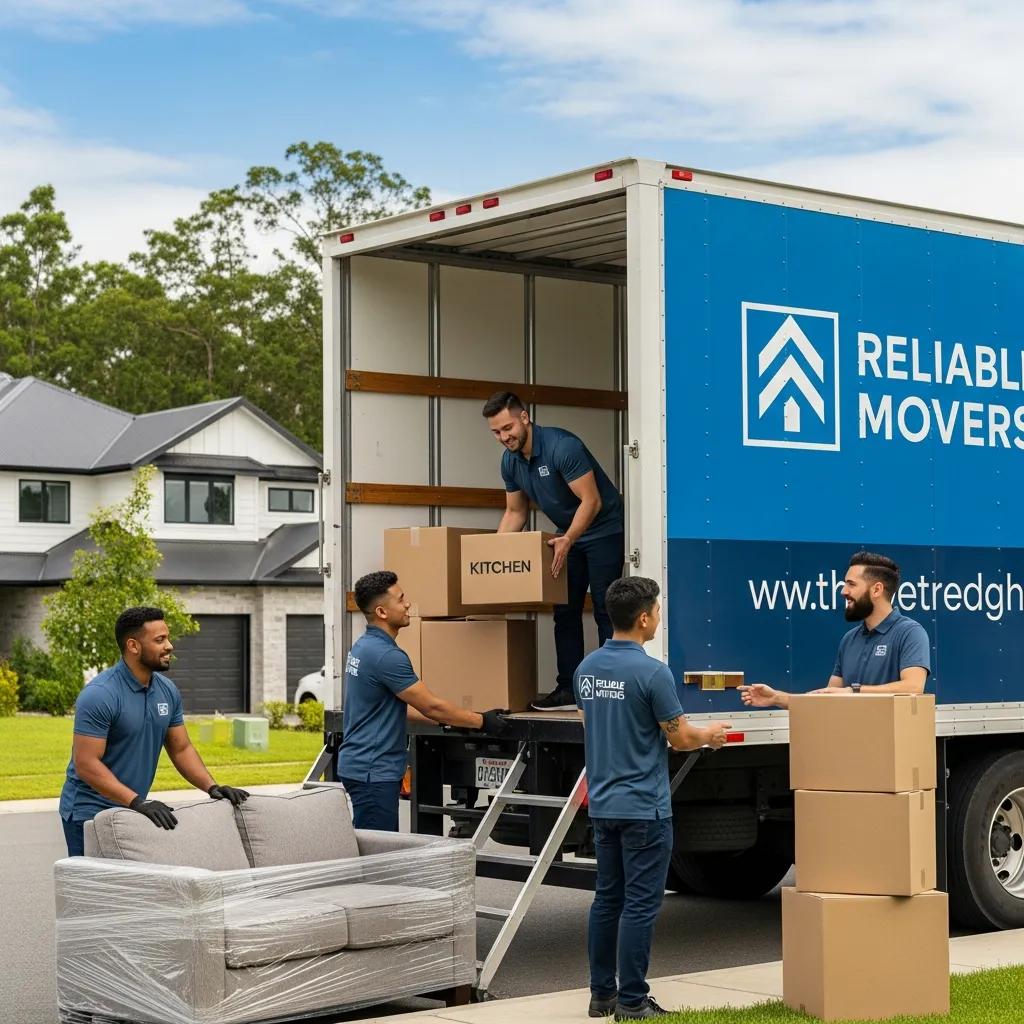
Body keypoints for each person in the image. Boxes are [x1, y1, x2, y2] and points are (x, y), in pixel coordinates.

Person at [575, 576, 730, 1021]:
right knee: (641, 906)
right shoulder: (652, 672)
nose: (660, 617)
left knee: (608, 900)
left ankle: (601, 995)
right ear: (643, 618)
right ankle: (633, 1001)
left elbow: (594, 727)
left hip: (603, 804)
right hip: (644, 807)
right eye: (658, 611)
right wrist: (711, 736)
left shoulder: (586, 669)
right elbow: (679, 737)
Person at [58, 606, 249, 857]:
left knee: (130, 890)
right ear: (133, 646)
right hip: (89, 813)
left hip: (132, 808)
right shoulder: (100, 695)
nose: (169, 646)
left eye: (167, 638)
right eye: (160, 640)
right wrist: (138, 802)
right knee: (95, 894)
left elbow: (181, 749)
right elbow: (86, 764)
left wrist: (212, 787)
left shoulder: (167, 691)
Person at [483, 391, 625, 712]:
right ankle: (569, 688)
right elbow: (515, 512)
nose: (504, 437)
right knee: (564, 610)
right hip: (567, 535)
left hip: (604, 530)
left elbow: (592, 501)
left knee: (605, 608)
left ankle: (608, 687)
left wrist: (569, 538)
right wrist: (491, 553)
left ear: (524, 417)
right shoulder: (510, 461)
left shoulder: (563, 447)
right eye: (496, 432)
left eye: (508, 428)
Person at [337, 570, 510, 831]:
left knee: (373, 849)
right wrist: (482, 721)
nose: (407, 604)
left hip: (362, 766)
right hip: (374, 770)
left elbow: (399, 709)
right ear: (382, 612)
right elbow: (430, 704)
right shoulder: (387, 656)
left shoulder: (363, 647)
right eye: (400, 599)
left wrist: (453, 721)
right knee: (378, 858)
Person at [739, 551, 930, 710]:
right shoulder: (849, 639)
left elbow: (913, 687)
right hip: (848, 745)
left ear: (877, 590)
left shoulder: (910, 633)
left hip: (889, 748)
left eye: (851, 584)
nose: (843, 591)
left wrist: (853, 691)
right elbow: (827, 698)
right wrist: (777, 698)